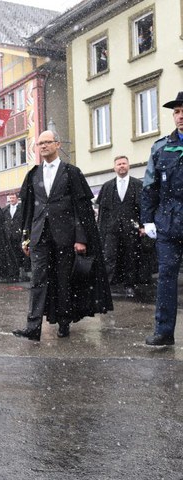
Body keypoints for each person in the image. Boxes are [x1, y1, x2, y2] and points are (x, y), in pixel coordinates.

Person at [13, 130, 112, 341]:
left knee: (64, 279)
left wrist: (81, 238)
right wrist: (26, 237)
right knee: (38, 280)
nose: (43, 146)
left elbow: (80, 208)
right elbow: (29, 209)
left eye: (47, 142)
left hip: (66, 236)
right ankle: (33, 327)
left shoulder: (71, 172)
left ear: (58, 144)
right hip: (40, 236)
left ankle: (64, 321)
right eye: (40, 144)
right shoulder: (33, 174)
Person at [141, 91, 183, 346]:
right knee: (166, 277)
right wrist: (147, 221)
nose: (181, 116)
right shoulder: (161, 148)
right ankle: (164, 331)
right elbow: (149, 187)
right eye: (177, 112)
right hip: (168, 224)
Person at [96, 155, 145, 297]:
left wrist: (143, 226)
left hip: (131, 228)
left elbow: (143, 208)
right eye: (119, 164)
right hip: (111, 229)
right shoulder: (107, 186)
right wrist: (101, 230)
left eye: (124, 163)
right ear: (114, 167)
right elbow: (103, 212)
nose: (121, 166)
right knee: (109, 257)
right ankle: (108, 286)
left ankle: (130, 286)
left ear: (128, 166)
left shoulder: (137, 185)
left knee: (131, 257)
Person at [2, 192, 30, 282]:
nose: (11, 200)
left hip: (20, 235)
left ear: (17, 198)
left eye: (13, 198)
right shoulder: (5, 209)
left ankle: (23, 273)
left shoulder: (22, 208)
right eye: (10, 198)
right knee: (11, 254)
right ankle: (13, 273)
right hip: (9, 236)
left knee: (21, 254)